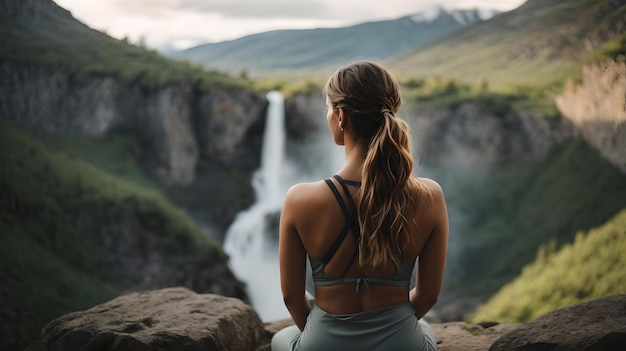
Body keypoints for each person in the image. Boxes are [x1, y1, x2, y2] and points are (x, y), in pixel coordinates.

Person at [271, 61, 448, 351]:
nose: (328, 116)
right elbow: (428, 296)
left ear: (340, 117)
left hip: (324, 343)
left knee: (281, 338)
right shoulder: (430, 195)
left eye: (328, 109)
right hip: (400, 343)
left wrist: (327, 337)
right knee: (423, 328)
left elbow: (291, 296)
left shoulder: (300, 199)